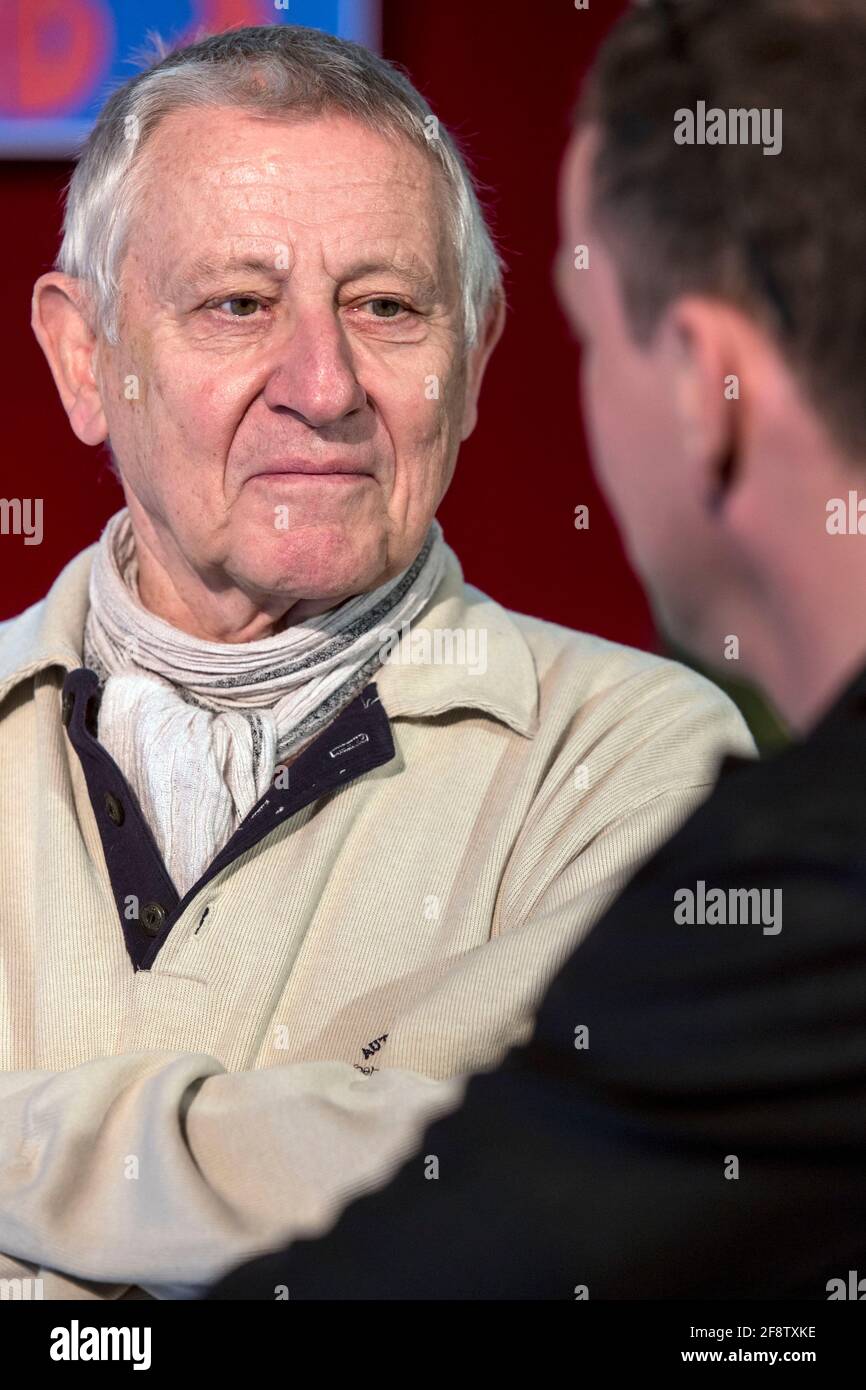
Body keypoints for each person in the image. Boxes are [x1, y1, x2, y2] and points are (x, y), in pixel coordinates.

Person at [0, 24, 752, 1299]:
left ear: (471, 359)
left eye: (386, 306)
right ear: (86, 360)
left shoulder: (639, 766)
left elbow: (522, 1197)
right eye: (238, 303)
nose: (323, 382)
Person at [208, 0, 866, 1301]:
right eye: (234, 302)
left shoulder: (788, 886)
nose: (320, 387)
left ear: (700, 382)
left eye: (581, 316)